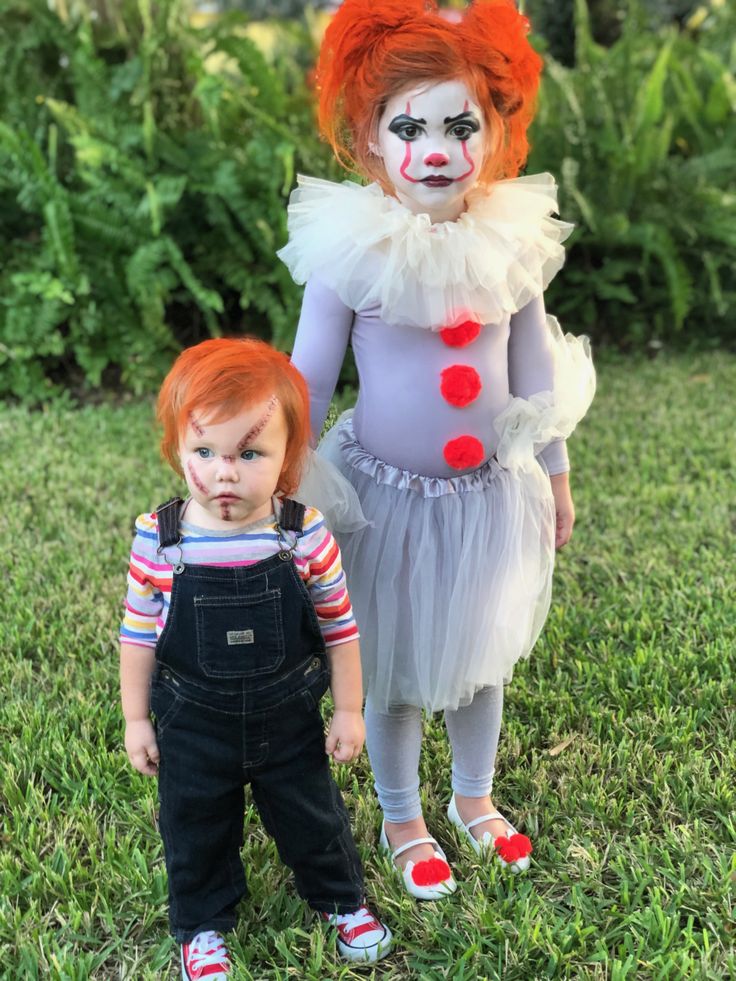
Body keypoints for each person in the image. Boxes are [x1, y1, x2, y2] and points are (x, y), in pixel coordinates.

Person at [278, 0, 596, 900]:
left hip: (492, 491)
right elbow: (306, 378)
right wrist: (285, 488)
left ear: (497, 131)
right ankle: (401, 810)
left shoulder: (511, 240)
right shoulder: (354, 250)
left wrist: (558, 474)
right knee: (396, 668)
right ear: (372, 140)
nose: (436, 149)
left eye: (460, 124)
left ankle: (474, 798)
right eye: (408, 125)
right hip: (384, 497)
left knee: (479, 654)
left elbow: (535, 368)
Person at [119, 337, 392, 977]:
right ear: (177, 451)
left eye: (250, 453)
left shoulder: (303, 534)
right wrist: (137, 719)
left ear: (289, 456)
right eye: (204, 451)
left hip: (288, 714)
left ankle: (338, 899)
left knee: (311, 812)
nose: (224, 473)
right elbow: (138, 635)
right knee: (194, 825)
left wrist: (349, 710)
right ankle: (203, 925)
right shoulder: (160, 541)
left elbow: (338, 626)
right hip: (192, 718)